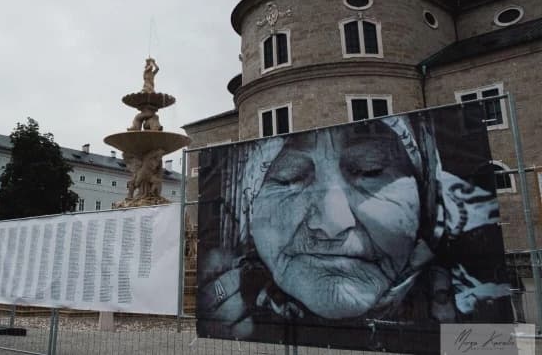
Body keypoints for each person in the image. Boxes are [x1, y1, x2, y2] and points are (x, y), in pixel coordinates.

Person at [197, 111, 512, 351]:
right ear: (247, 208)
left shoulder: (481, 303)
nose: (332, 223)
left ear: (425, 197)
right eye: (287, 178)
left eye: (370, 170)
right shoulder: (229, 299)